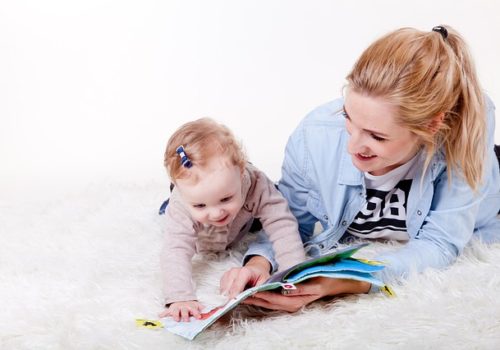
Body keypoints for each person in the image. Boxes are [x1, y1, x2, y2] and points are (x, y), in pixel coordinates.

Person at [220, 25, 500, 312]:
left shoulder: (466, 136)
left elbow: (440, 244)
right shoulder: (314, 137)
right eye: (348, 117)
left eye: (376, 136)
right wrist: (259, 262)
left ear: (431, 125)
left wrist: (347, 281)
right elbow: (287, 217)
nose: (353, 146)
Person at [159, 118, 306, 321]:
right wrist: (179, 297)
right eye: (200, 205)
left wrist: (296, 272)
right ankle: (169, 205)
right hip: (199, 229)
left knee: (278, 201)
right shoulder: (181, 204)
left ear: (241, 169)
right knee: (171, 218)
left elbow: (282, 224)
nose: (216, 213)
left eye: (225, 198)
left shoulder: (255, 183)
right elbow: (175, 249)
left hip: (242, 220)